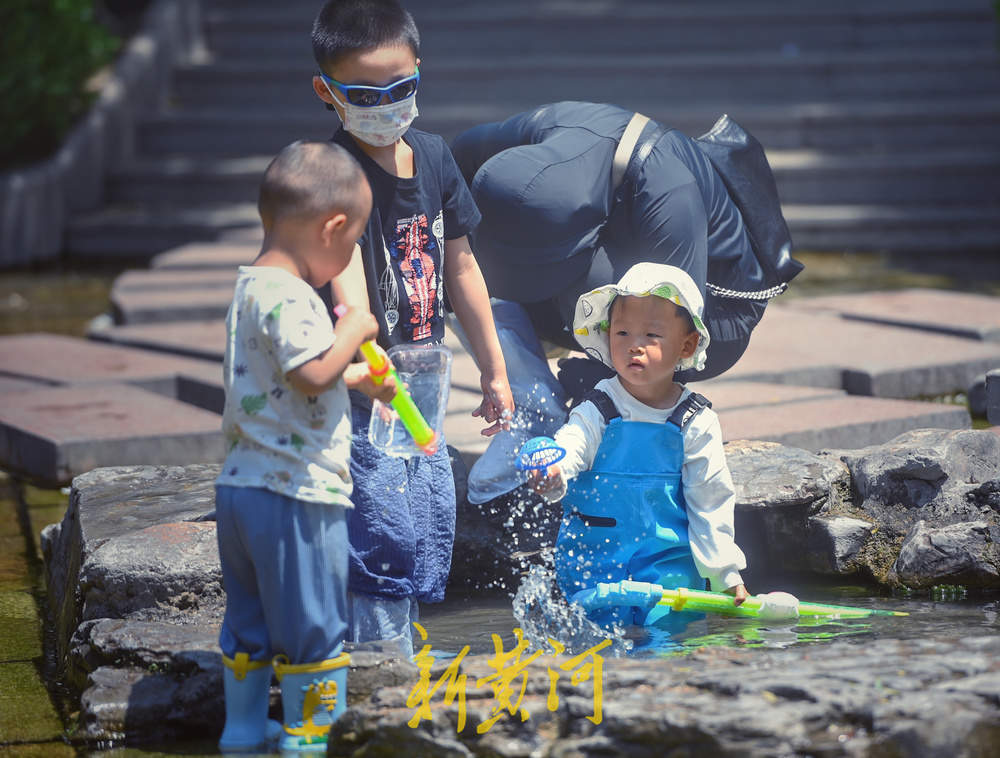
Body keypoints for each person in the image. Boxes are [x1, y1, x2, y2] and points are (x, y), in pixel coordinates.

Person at [450, 101, 803, 504]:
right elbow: (445, 164)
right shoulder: (530, 131)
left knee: (624, 337)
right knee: (451, 263)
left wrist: (601, 397)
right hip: (607, 272)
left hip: (710, 320)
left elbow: (668, 340)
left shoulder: (670, 195)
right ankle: (533, 401)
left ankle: (600, 401)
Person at [309, 0, 514, 657]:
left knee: (427, 512)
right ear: (328, 93)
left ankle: (405, 639)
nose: (386, 103)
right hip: (364, 385)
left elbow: (462, 271)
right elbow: (347, 291)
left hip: (425, 372)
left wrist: (495, 369)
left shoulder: (432, 155)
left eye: (400, 87)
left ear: (420, 71)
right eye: (365, 94)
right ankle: (377, 663)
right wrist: (369, 364)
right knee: (378, 523)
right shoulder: (332, 174)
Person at [214, 140, 395, 754]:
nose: (348, 259)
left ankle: (241, 731)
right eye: (352, 245)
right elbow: (311, 373)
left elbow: (284, 379)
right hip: (298, 492)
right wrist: (353, 329)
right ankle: (311, 736)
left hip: (241, 490)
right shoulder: (296, 298)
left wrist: (358, 378)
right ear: (332, 227)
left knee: (249, 620)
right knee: (316, 624)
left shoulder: (252, 286)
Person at [529, 262, 748, 630]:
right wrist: (554, 471)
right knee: (594, 645)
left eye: (651, 335)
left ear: (687, 344)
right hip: (596, 563)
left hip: (668, 569)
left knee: (664, 645)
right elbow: (571, 445)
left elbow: (710, 502)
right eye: (623, 332)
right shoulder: (598, 408)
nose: (635, 346)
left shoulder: (695, 420)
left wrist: (726, 574)